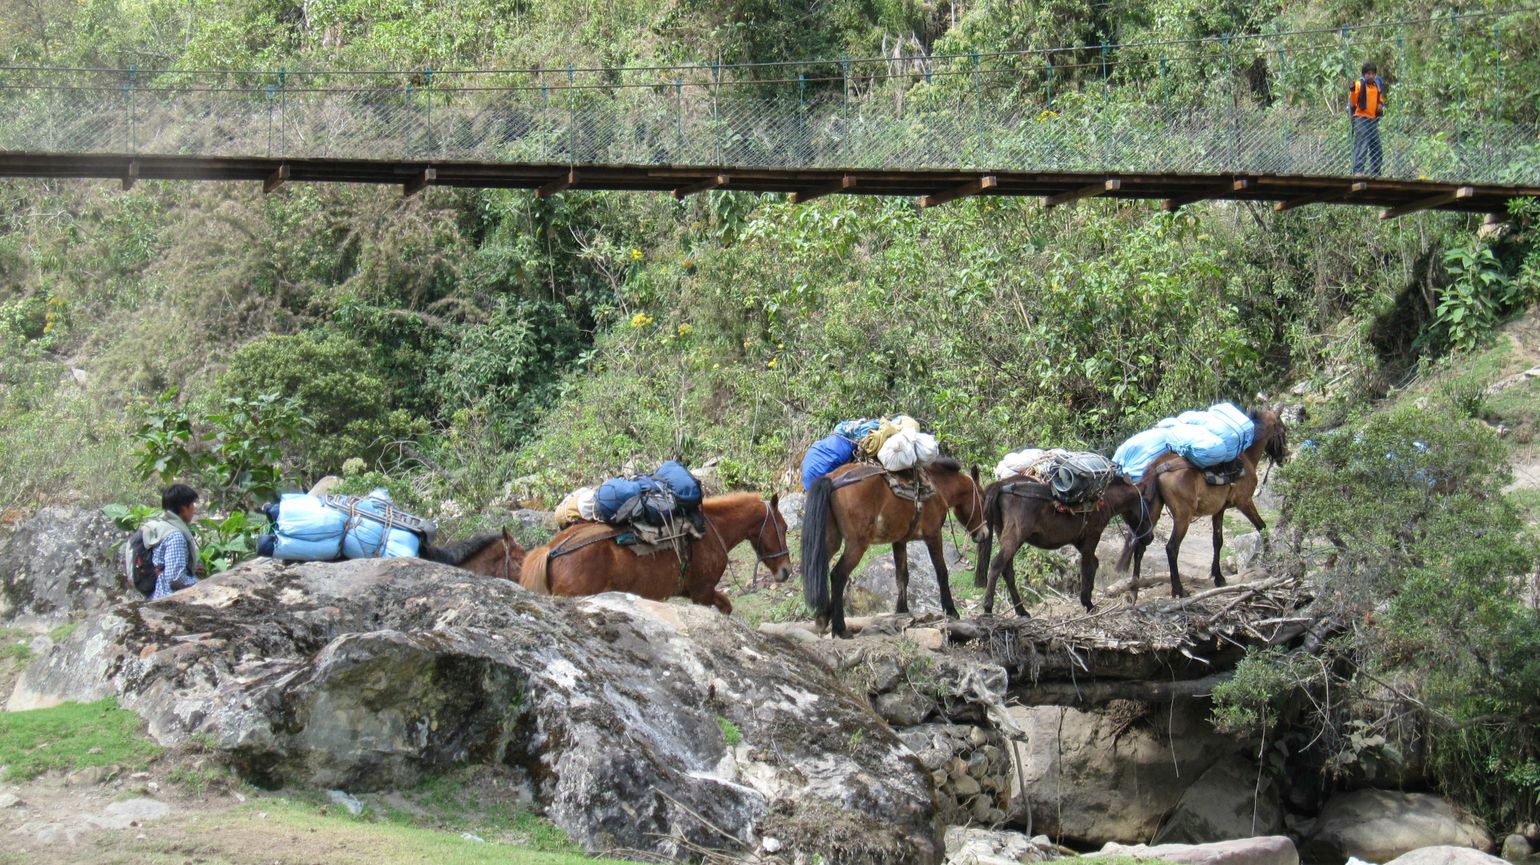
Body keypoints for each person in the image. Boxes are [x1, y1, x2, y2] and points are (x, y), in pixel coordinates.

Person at [141, 484, 203, 600]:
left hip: (153, 595)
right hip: (167, 598)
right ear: (183, 508)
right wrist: (203, 585)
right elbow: (175, 578)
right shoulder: (175, 536)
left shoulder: (161, 528)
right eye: (192, 504)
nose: (193, 509)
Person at [1349, 62, 1385, 175]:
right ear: (1364, 75)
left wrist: (1380, 104)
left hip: (1372, 120)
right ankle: (1358, 171)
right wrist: (1352, 90)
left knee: (1376, 147)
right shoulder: (1359, 85)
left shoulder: (1376, 86)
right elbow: (1353, 101)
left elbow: (1380, 99)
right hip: (1361, 119)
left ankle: (1375, 173)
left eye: (1373, 74)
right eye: (1368, 74)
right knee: (1362, 145)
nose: (1371, 76)